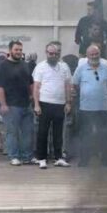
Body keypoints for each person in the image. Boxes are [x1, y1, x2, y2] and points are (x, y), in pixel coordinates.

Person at [72, 44, 107, 167]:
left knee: (105, 135)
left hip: (103, 108)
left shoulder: (106, 68)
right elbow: (75, 84)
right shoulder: (80, 69)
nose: (94, 56)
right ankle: (84, 160)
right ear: (87, 55)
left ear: (100, 54)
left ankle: (106, 160)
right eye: (92, 54)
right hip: (86, 108)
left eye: (96, 54)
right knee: (85, 135)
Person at [33, 41, 72, 169]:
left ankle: (59, 157)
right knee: (43, 132)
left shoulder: (64, 67)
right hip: (44, 103)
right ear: (46, 53)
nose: (53, 56)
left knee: (58, 133)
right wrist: (36, 104)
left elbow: (67, 86)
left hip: (60, 104)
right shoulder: (40, 67)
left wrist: (68, 102)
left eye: (56, 54)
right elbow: (36, 87)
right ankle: (41, 158)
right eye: (51, 53)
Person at [0, 40, 35, 166]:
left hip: (26, 104)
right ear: (10, 50)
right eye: (16, 49)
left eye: (20, 50)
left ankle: (27, 156)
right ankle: (14, 156)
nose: (19, 52)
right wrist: (3, 104)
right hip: (11, 105)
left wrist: (32, 97)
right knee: (12, 132)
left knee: (27, 132)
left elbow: (31, 83)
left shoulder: (25, 65)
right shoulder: (2, 66)